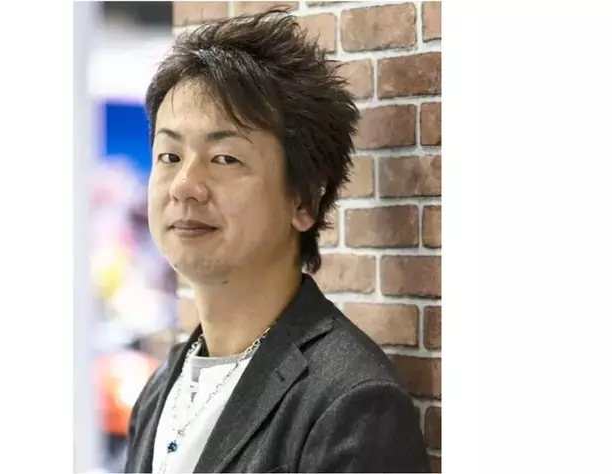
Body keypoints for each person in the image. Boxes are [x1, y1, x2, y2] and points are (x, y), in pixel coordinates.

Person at [124, 9, 431, 474]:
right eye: (169, 156)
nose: (185, 185)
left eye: (225, 158)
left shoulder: (350, 403)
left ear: (304, 199)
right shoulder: (159, 390)